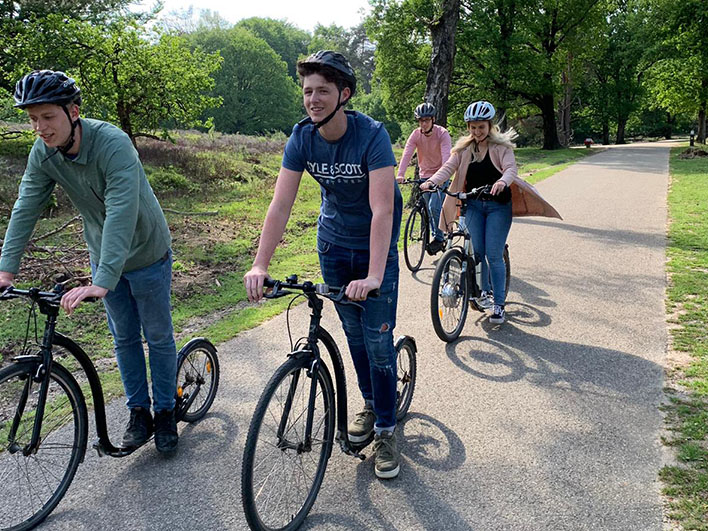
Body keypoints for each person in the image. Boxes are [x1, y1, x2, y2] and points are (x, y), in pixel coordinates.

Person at [0, 70, 179, 453]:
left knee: (158, 336)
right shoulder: (44, 153)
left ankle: (166, 411)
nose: (40, 128)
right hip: (104, 257)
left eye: (47, 117)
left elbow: (120, 212)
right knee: (124, 338)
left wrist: (104, 279)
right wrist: (6, 269)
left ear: (73, 111)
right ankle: (139, 412)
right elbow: (26, 206)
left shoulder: (113, 144)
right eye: (32, 119)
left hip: (147, 252)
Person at [243, 51, 403, 479]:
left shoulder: (371, 135)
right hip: (333, 243)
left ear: (344, 94)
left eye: (323, 91)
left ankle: (387, 429)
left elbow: (383, 210)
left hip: (375, 245)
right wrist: (260, 263)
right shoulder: (302, 138)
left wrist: (373, 274)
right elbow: (280, 204)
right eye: (307, 91)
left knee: (377, 341)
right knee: (353, 333)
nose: (313, 99)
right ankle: (370, 405)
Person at [422, 100, 561, 324]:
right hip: (474, 205)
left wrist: (502, 183)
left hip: (498, 207)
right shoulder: (464, 149)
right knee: (477, 252)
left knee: (493, 255)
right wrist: (431, 181)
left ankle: (498, 304)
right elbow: (448, 167)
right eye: (473, 127)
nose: (477, 132)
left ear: (490, 126)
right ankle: (483, 293)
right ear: (468, 128)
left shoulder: (501, 148)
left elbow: (510, 170)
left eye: (481, 127)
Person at [396, 103, 452, 255]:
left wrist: (439, 177)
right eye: (421, 120)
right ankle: (435, 233)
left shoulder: (442, 133)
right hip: (424, 175)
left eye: (427, 120)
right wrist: (400, 174)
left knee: (434, 206)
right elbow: (407, 154)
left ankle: (439, 238)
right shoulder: (415, 135)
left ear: (433, 119)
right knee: (428, 208)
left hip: (441, 175)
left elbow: (447, 159)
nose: (424, 123)